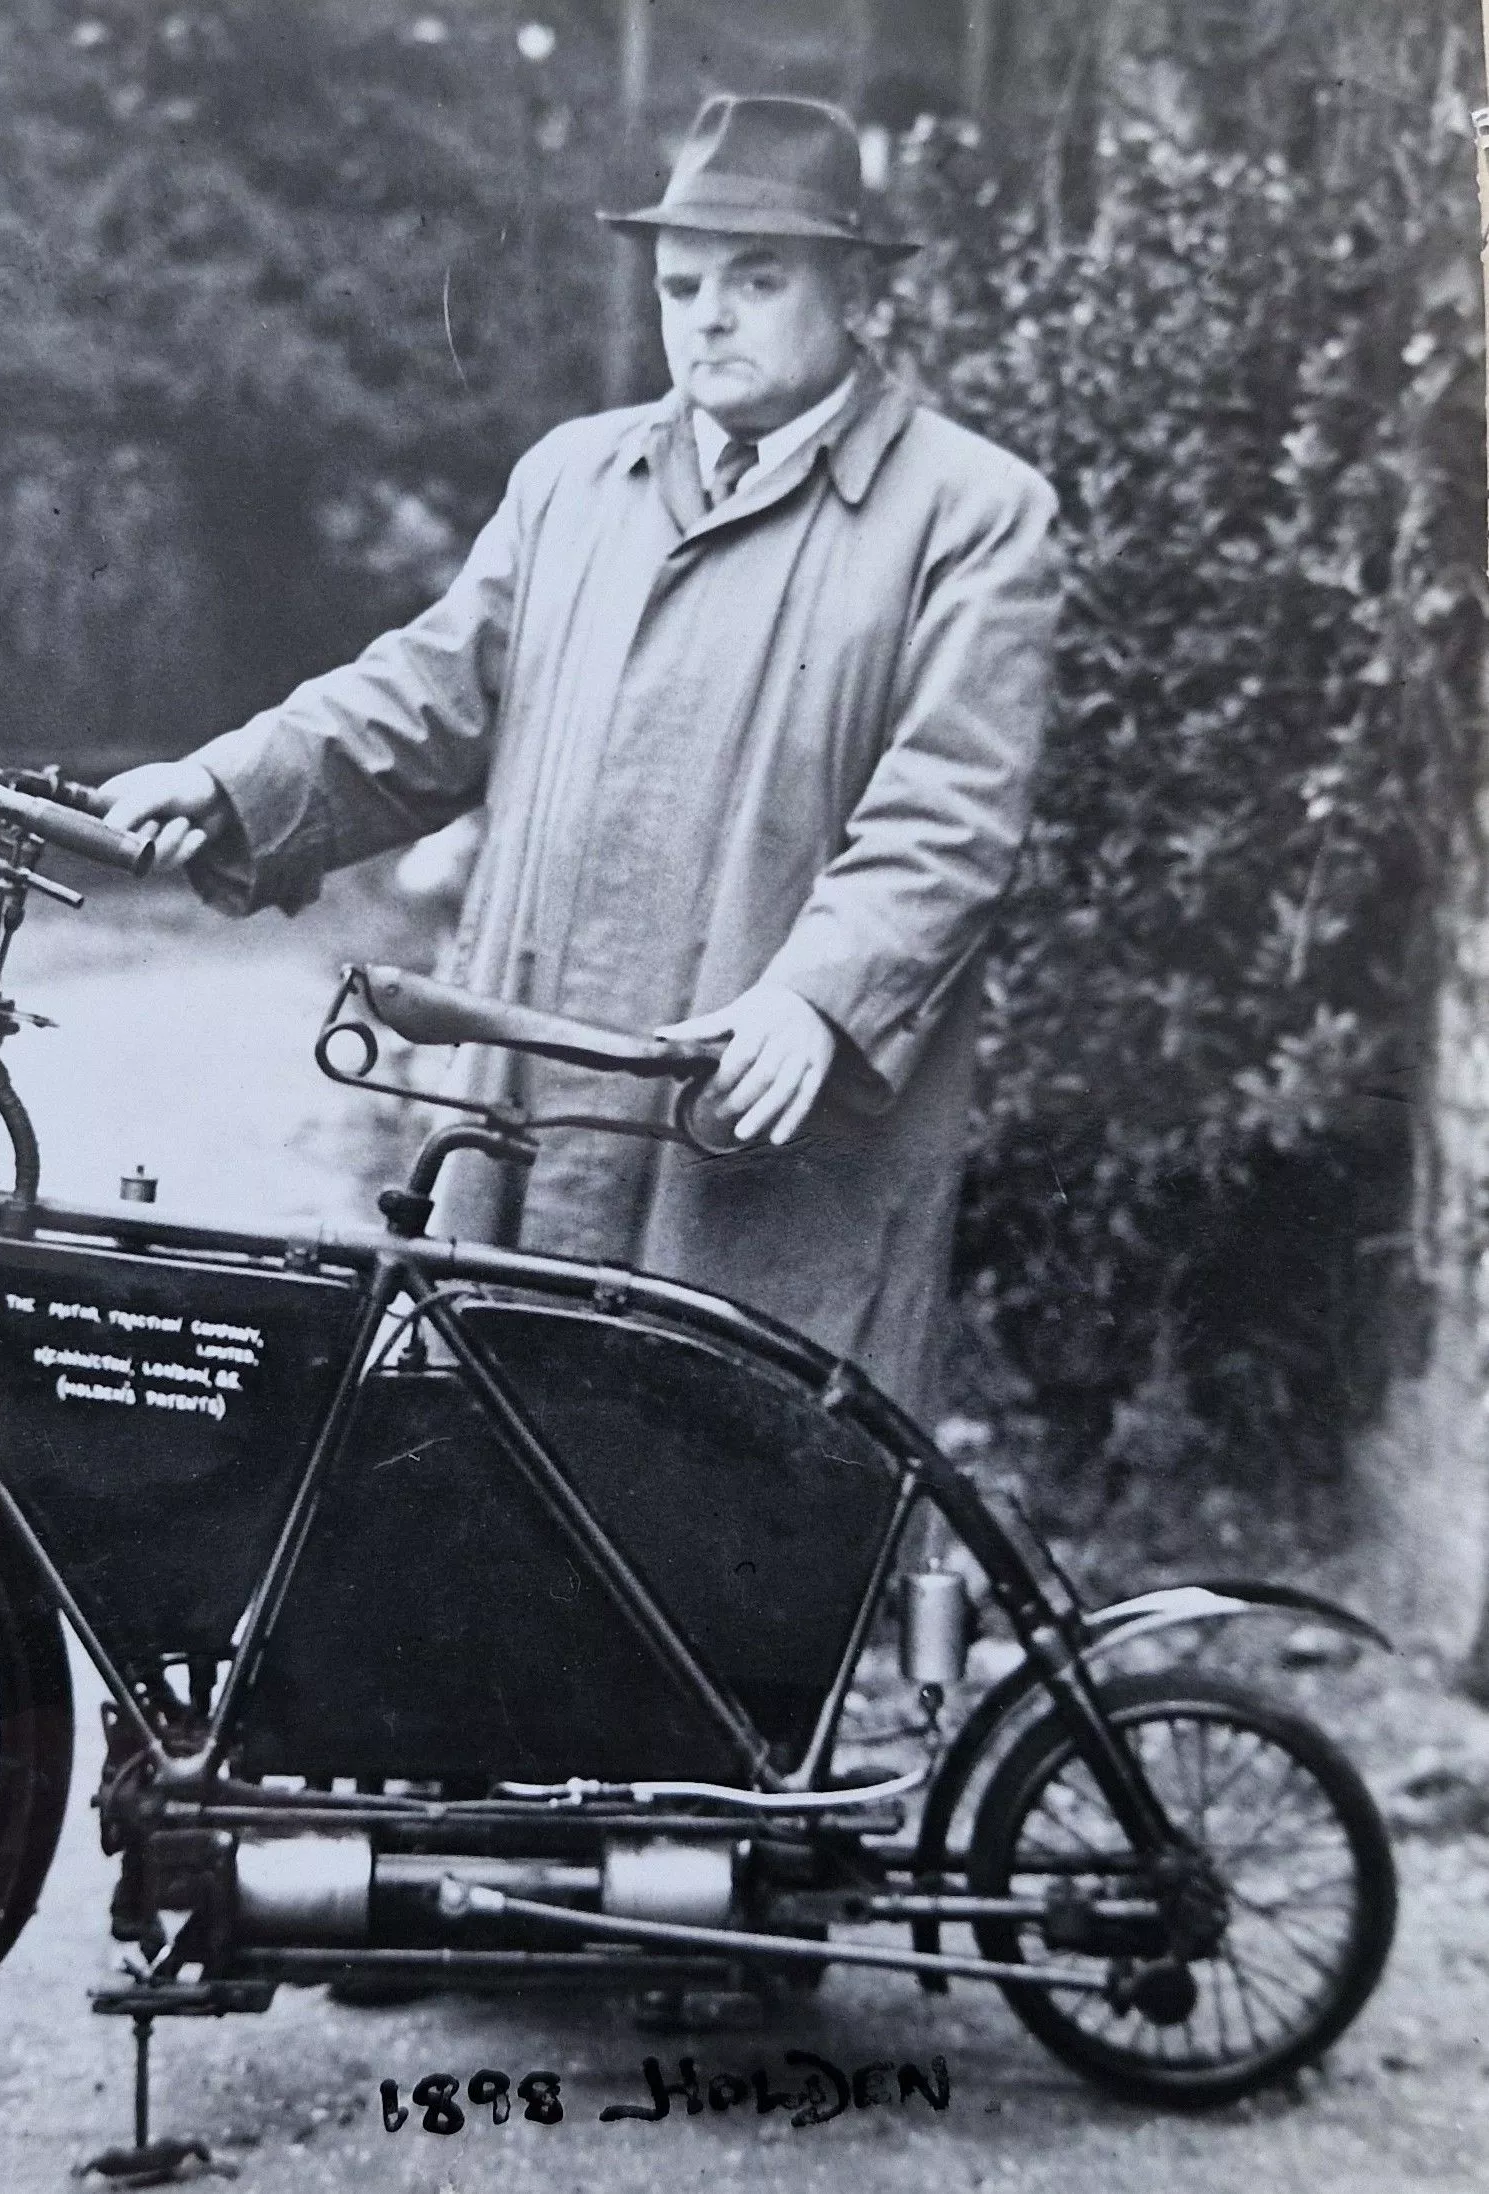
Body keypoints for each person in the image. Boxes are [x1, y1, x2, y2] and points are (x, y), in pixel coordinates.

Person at [97, 91, 1060, 1422]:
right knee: (489, 1495)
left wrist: (820, 995)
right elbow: (428, 693)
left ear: (855, 292)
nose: (707, 315)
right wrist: (232, 778)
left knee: (721, 1526)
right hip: (525, 1113)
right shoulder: (572, 481)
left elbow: (952, 809)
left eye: (756, 278)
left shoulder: (973, 514)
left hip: (753, 1131)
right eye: (681, 283)